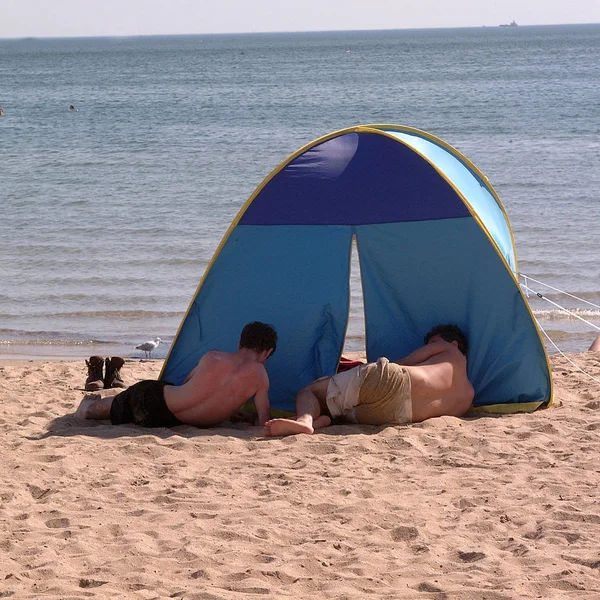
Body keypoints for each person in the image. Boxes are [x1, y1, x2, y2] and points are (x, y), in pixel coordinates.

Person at [264, 324, 474, 437]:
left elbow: (403, 363)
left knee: (309, 391)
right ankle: (321, 421)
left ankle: (305, 422)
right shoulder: (467, 398)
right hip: (396, 415)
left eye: (432, 343)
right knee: (337, 407)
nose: (430, 346)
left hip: (394, 381)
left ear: (454, 343)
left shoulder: (448, 348)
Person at [75, 322, 277, 428]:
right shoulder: (261, 376)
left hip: (157, 404)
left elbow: (188, 384)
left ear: (240, 343)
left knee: (118, 405)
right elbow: (263, 421)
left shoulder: (213, 357)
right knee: (115, 407)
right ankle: (88, 406)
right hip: (173, 422)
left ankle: (89, 405)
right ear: (267, 352)